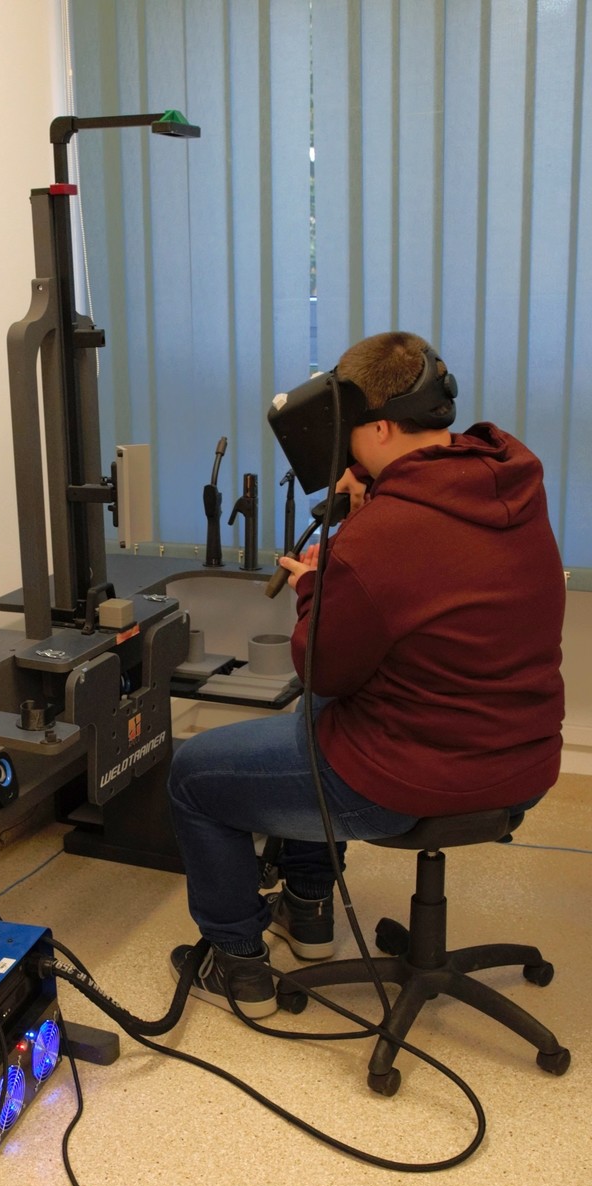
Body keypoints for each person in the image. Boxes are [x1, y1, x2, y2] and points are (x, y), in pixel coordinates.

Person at [168, 330, 566, 1019]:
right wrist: (374, 508)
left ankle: (240, 965)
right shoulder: (509, 482)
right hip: (522, 763)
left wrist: (316, 582)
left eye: (349, 432)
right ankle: (309, 908)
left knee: (193, 776)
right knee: (322, 710)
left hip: (413, 776)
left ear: (379, 428)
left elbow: (317, 662)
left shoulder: (380, 536)